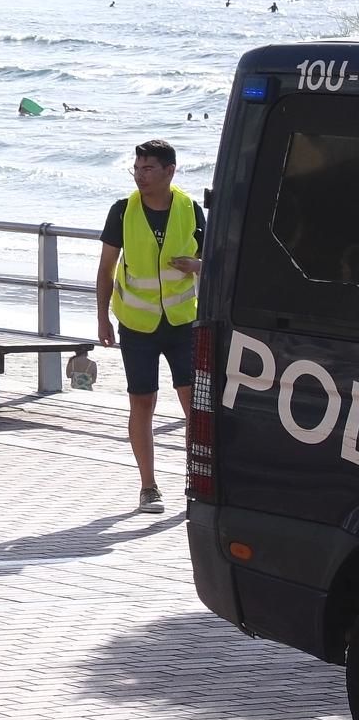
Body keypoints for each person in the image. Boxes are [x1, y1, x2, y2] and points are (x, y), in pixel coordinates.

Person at [94, 138, 202, 513]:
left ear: (169, 171)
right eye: (137, 168)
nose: (140, 175)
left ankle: (197, 483)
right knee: (142, 401)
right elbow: (106, 268)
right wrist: (102, 317)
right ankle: (149, 486)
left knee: (194, 405)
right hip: (136, 324)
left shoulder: (191, 209)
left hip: (182, 322)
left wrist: (196, 266)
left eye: (148, 168)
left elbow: (217, 260)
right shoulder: (122, 211)